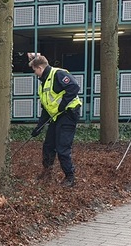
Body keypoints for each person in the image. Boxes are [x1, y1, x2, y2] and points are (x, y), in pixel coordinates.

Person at [28, 55, 82, 187]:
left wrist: (63, 105)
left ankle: (70, 177)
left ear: (40, 68)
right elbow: (46, 109)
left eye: (35, 70)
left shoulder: (58, 74)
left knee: (62, 147)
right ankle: (47, 172)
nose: (35, 74)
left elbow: (74, 87)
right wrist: (38, 128)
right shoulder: (43, 84)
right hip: (57, 116)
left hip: (68, 113)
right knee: (48, 145)